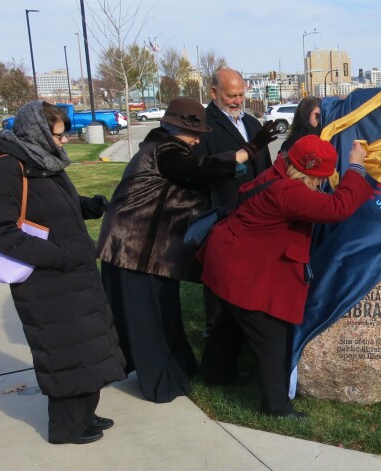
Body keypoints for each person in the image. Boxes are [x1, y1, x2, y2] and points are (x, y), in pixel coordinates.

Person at [97, 97, 273, 403]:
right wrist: (248, 150)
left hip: (145, 249)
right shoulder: (165, 149)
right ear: (172, 127)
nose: (196, 139)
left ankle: (178, 371)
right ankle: (159, 381)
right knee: (147, 318)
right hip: (133, 248)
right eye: (192, 133)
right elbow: (197, 168)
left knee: (165, 313)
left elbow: (196, 172)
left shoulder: (164, 148)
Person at [0, 101, 125, 444]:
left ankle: (85, 414)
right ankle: (66, 426)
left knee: (88, 348)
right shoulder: (9, 167)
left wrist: (86, 206)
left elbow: (52, 205)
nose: (65, 141)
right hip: (48, 279)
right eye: (59, 135)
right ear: (39, 133)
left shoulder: (43, 162)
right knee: (66, 351)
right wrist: (58, 256)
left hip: (74, 274)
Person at [198, 136, 373, 418]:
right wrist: (356, 167)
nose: (320, 183)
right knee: (271, 336)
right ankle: (276, 406)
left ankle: (216, 373)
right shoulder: (290, 191)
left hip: (228, 260)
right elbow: (338, 207)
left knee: (230, 321)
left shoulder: (278, 171)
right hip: (243, 269)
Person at [194, 68, 275, 340]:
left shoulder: (252, 124)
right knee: (220, 278)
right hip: (221, 212)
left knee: (250, 277)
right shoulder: (202, 125)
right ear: (214, 93)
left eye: (241, 94)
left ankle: (246, 331)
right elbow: (199, 170)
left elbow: (266, 167)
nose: (237, 100)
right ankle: (217, 335)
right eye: (231, 95)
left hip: (255, 214)